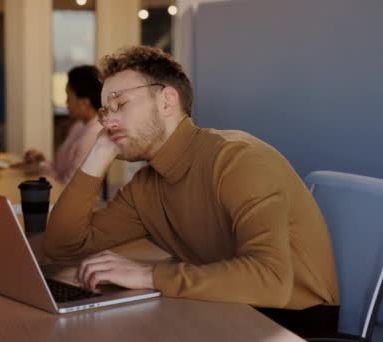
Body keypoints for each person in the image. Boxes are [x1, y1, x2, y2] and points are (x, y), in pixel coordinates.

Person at [43, 46, 339, 337]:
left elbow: (270, 280)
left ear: (167, 101)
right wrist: (99, 153)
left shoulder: (238, 160)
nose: (107, 120)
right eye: (105, 110)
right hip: (223, 304)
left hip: (291, 321)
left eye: (120, 104)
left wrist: (147, 274)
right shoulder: (147, 185)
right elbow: (62, 246)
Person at [24, 65, 103, 183]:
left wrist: (42, 167)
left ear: (84, 103)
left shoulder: (92, 136)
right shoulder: (79, 126)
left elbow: (69, 186)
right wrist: (42, 162)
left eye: (68, 97)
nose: (66, 102)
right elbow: (60, 171)